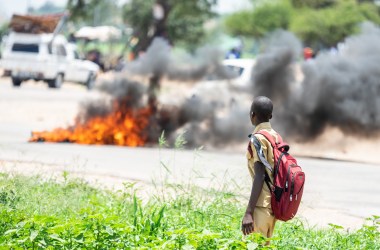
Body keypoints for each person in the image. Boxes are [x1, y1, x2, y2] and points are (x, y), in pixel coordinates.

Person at [241, 96, 279, 240]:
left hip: (261, 205)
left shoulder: (257, 139)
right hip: (274, 203)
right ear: (271, 116)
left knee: (254, 245)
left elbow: (260, 175)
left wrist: (249, 212)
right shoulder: (275, 136)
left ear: (252, 115)